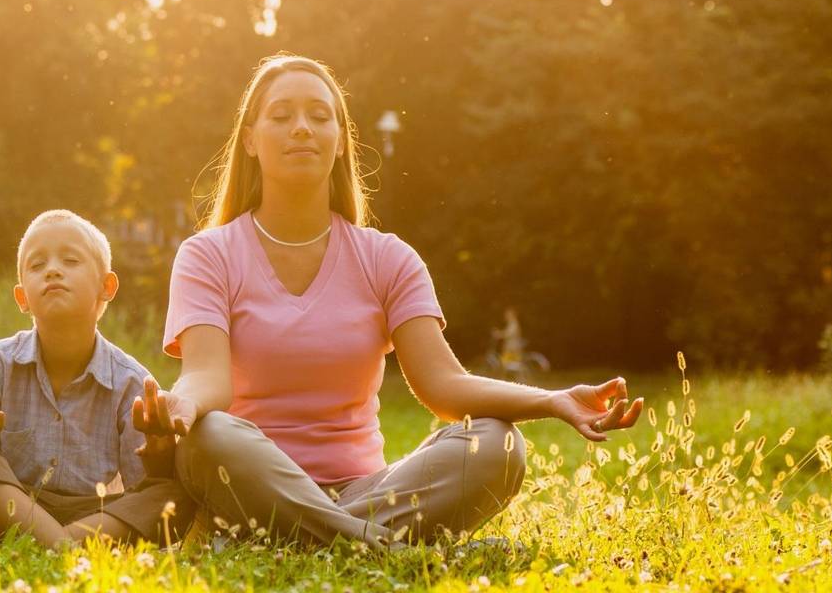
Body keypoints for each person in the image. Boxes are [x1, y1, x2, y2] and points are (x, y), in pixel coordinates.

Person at [143, 54, 645, 548]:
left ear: (340, 142)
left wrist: (552, 400)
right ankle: (384, 547)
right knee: (208, 438)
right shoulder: (208, 254)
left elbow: (444, 386)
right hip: (251, 481)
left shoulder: (387, 258)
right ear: (250, 140)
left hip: (369, 492)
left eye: (320, 117)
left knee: (498, 444)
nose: (301, 128)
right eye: (281, 116)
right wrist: (185, 402)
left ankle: (302, 536)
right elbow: (208, 378)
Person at [0, 210, 194, 548]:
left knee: (173, 493)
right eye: (37, 265)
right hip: (12, 505)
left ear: (107, 286)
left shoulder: (130, 382)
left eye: (70, 260)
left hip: (94, 515)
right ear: (22, 298)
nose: (53, 270)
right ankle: (66, 548)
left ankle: (53, 543)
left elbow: (145, 487)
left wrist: (160, 455)